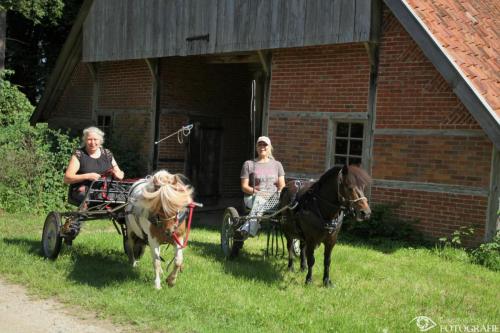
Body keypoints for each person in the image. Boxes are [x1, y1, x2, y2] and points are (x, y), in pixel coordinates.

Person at [64, 126, 124, 206]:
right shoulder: (79, 154)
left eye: (95, 139)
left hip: (105, 189)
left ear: (100, 141)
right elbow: (67, 178)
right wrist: (87, 176)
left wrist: (119, 174)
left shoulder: (107, 154)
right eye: (89, 139)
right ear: (85, 140)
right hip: (83, 190)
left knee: (123, 199)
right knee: (93, 198)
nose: (92, 143)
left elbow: (119, 172)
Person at [239, 136, 285, 236]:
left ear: (270, 147)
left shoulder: (277, 165)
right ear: (256, 147)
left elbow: (282, 186)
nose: (262, 147)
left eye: (265, 145)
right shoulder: (249, 164)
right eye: (260, 144)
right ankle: (249, 230)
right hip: (253, 197)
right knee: (260, 198)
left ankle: (296, 240)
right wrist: (258, 192)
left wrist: (278, 193)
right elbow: (244, 187)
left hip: (274, 198)